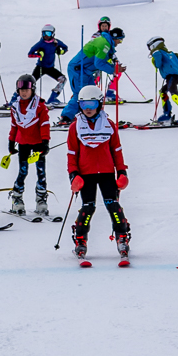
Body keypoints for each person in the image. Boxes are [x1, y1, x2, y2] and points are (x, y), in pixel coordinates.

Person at [67, 84, 130, 264]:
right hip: (86, 174)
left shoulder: (109, 125)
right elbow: (72, 155)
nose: (87, 108)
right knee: (88, 207)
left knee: (113, 206)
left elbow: (116, 150)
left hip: (107, 172)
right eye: (84, 104)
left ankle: (122, 237)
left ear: (100, 104)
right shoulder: (75, 127)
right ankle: (80, 240)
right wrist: (73, 175)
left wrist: (122, 171)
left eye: (92, 104)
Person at [4, 74, 52, 217]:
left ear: (33, 90)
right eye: (21, 90)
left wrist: (45, 141)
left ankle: (41, 199)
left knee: (41, 172)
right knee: (23, 172)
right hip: (23, 143)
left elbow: (44, 124)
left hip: (38, 144)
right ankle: (17, 198)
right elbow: (14, 126)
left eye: (27, 90)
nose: (24, 92)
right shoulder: (15, 107)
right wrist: (11, 141)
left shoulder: (40, 106)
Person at [61, 17, 117, 123]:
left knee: (92, 93)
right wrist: (112, 69)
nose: (104, 28)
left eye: (106, 26)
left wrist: (113, 62)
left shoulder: (107, 41)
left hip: (88, 70)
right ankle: (66, 117)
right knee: (80, 94)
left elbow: (104, 56)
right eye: (102, 26)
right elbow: (99, 61)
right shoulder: (100, 39)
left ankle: (90, 115)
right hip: (79, 70)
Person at [147, 36, 178, 124]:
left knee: (174, 94)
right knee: (163, 91)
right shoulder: (169, 53)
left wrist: (155, 56)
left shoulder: (158, 53)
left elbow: (158, 64)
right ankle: (167, 113)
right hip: (173, 76)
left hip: (171, 76)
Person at [27, 25, 68, 104]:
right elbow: (30, 54)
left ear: (52, 34)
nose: (46, 35)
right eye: (44, 33)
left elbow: (65, 48)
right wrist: (39, 54)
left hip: (50, 68)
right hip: (40, 67)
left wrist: (60, 51)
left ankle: (53, 97)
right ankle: (19, 98)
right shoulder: (40, 44)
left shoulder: (56, 42)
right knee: (29, 82)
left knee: (63, 80)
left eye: (48, 33)